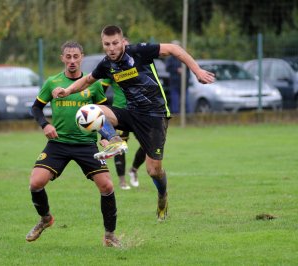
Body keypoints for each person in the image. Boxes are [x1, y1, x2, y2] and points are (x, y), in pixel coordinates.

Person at [52, 25, 215, 222]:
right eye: (107, 44)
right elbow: (87, 80)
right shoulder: (106, 64)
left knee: (153, 170)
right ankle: (114, 140)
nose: (111, 48)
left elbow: (174, 49)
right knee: (89, 111)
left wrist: (197, 71)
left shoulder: (138, 52)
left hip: (155, 116)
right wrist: (68, 91)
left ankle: (162, 195)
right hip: (132, 113)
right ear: (102, 44)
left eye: (115, 43)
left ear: (122, 42)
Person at [26, 41, 121, 247]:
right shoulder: (52, 82)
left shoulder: (93, 85)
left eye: (75, 56)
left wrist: (107, 135)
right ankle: (45, 219)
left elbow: (105, 114)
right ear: (62, 58)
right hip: (58, 143)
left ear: (82, 57)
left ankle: (110, 236)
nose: (72, 61)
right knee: (35, 182)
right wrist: (45, 125)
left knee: (107, 186)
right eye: (68, 57)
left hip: (86, 145)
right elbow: (35, 108)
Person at [165, 40, 190, 114]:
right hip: (174, 83)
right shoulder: (170, 59)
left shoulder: (184, 56)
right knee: (175, 101)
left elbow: (188, 69)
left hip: (184, 83)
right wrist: (176, 70)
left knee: (186, 101)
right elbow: (167, 68)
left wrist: (186, 75)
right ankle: (176, 115)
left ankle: (187, 115)